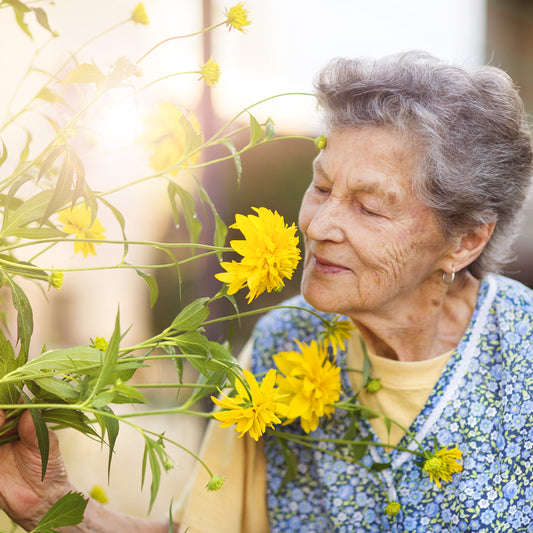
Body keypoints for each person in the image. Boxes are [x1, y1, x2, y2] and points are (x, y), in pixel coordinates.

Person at [0, 51, 532, 532]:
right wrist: (50, 505)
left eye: (369, 207)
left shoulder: (522, 349)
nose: (319, 223)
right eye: (321, 187)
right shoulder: (281, 343)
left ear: (465, 240)